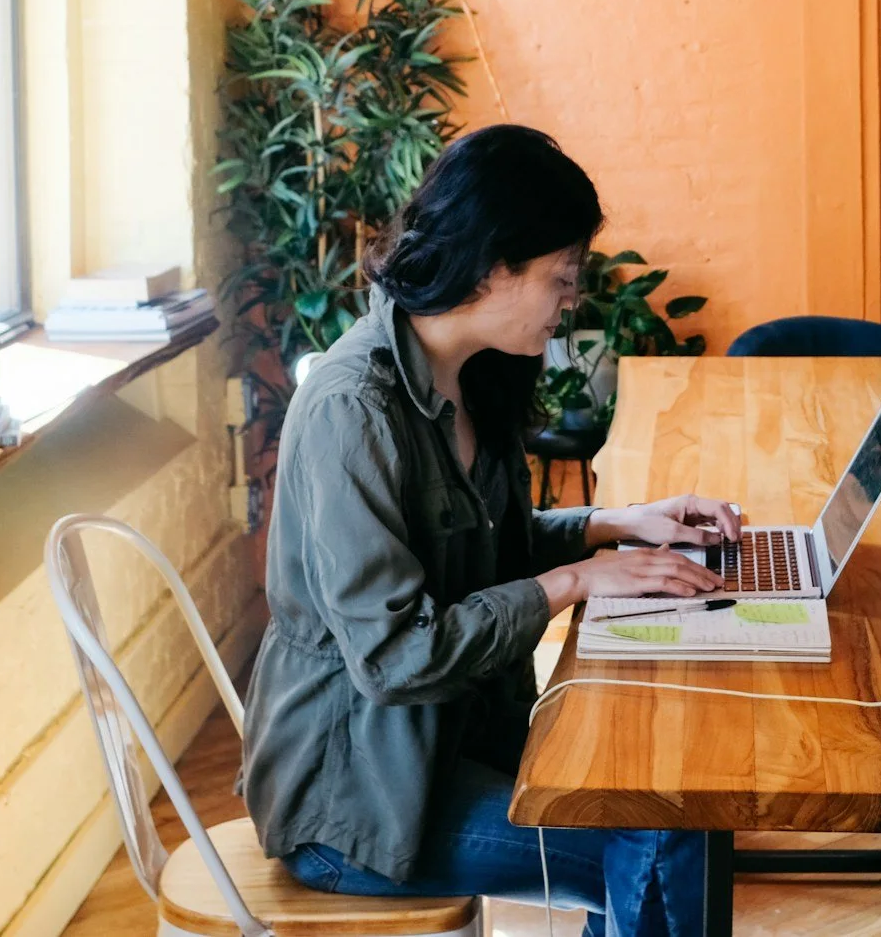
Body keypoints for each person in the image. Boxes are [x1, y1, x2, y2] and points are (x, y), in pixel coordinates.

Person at [242, 124, 739, 937]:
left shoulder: (476, 374)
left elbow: (481, 542)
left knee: (670, 789)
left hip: (451, 742)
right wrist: (576, 579)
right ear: (494, 265)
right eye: (561, 278)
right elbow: (397, 654)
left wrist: (617, 525)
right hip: (359, 801)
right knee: (658, 829)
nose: (571, 300)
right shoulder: (351, 410)